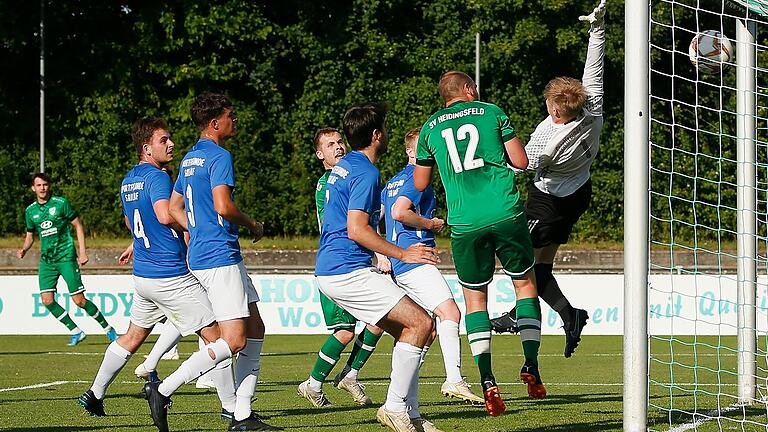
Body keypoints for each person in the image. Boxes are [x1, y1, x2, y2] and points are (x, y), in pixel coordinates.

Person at [78, 118, 239, 431]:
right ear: (146, 147)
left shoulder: (128, 179)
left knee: (132, 337)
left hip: (144, 276)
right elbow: (165, 215)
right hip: (171, 275)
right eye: (163, 140)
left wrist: (138, 242)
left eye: (170, 139)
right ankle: (233, 409)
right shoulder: (158, 177)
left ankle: (95, 393)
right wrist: (195, 226)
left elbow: (131, 222)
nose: (171, 144)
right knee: (218, 337)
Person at [413, 71, 546, 417]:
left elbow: (421, 182)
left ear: (444, 97)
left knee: (475, 300)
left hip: (465, 221)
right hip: (504, 211)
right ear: (469, 90)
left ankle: (487, 380)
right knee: (525, 285)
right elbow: (521, 162)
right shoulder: (492, 112)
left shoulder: (429, 128)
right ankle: (530, 364)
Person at [315, 103, 442, 432]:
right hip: (345, 269)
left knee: (418, 329)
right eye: (383, 129)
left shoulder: (347, 166)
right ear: (376, 135)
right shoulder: (366, 172)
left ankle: (408, 412)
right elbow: (357, 229)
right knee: (421, 323)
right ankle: (395, 408)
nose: (385, 134)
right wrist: (402, 253)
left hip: (338, 267)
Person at [490, 0, 606, 359]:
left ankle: (517, 314)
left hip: (549, 201)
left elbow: (522, 165)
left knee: (516, 255)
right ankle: (570, 315)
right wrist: (597, 29)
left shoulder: (547, 138)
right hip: (579, 193)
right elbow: (595, 68)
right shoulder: (594, 108)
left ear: (555, 109)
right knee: (541, 265)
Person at [165, 92, 281, 431]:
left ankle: (242, 414)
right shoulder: (219, 155)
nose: (235, 120)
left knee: (256, 327)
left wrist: (194, 229)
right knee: (234, 340)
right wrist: (253, 224)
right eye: (231, 115)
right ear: (215, 123)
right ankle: (164, 388)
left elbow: (174, 208)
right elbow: (223, 206)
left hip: (206, 252)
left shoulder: (188, 159)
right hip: (219, 253)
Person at [381, 127, 483, 406]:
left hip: (401, 261)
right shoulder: (417, 180)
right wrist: (431, 224)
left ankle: (400, 399)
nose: (430, 156)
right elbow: (398, 212)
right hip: (415, 260)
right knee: (449, 312)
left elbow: (377, 218)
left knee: (424, 330)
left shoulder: (392, 182)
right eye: (423, 150)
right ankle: (454, 379)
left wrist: (382, 253)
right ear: (410, 152)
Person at [297, 127, 385, 407]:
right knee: (345, 331)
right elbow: (349, 225)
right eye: (329, 144)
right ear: (319, 154)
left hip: (357, 262)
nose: (337, 147)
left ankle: (350, 374)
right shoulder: (329, 183)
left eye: (339, 142)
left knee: (379, 320)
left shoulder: (353, 175)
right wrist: (381, 251)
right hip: (339, 264)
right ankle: (312, 384)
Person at [18, 173, 117, 346]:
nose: (42, 188)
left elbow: (78, 225)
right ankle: (75, 331)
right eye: (39, 185)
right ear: (33, 188)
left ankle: (108, 329)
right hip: (47, 261)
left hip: (66, 257)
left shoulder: (61, 203)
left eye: (45, 185)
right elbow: (30, 236)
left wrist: (83, 252)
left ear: (49, 186)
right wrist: (24, 249)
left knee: (79, 300)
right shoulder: (30, 211)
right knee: (47, 300)